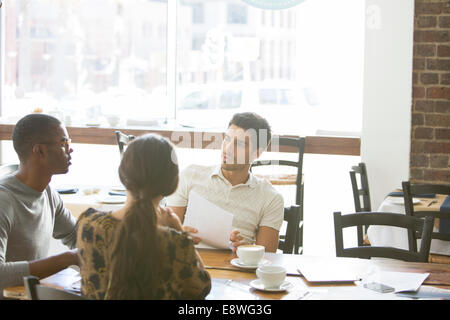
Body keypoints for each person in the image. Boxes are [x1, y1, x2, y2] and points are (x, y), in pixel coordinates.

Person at [76, 134, 211, 300]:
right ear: (172, 183)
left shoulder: (88, 225)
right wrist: (179, 230)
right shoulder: (175, 243)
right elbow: (201, 287)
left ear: (122, 174)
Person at [167, 112, 284, 253]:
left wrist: (245, 250)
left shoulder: (271, 198)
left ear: (257, 153)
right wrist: (179, 235)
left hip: (235, 270)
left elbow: (267, 257)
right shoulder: (189, 176)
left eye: (239, 144)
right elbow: (166, 237)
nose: (227, 149)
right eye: (227, 139)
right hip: (187, 265)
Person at [0, 114, 78, 297]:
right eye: (64, 143)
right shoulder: (4, 201)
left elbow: (77, 234)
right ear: (40, 151)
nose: (70, 149)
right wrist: (66, 259)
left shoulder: (48, 193)